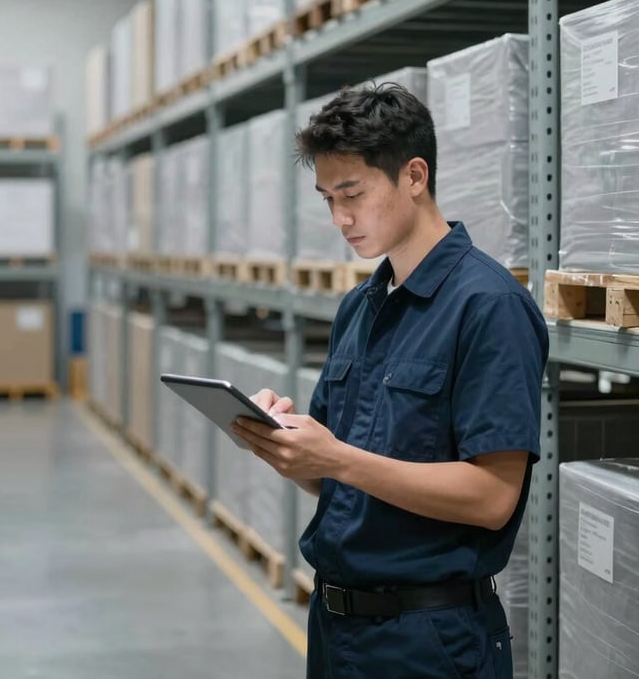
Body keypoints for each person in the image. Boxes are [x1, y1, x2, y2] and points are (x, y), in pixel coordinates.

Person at [234, 83, 548, 679]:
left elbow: (492, 498)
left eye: (352, 193)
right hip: (337, 629)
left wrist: (338, 458)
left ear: (414, 175)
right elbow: (335, 477)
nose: (340, 218)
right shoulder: (361, 306)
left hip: (428, 641)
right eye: (328, 198)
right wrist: (288, 445)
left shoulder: (488, 306)